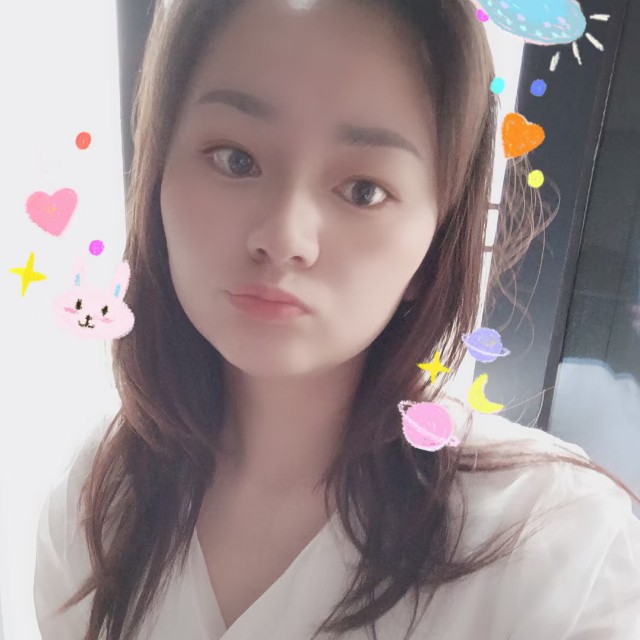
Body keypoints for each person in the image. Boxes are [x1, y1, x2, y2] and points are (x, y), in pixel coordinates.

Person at [33, 0, 640, 638]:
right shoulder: (97, 504)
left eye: (363, 191)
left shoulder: (560, 551)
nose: (284, 237)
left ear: (435, 243)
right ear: (158, 171)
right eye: (235, 158)